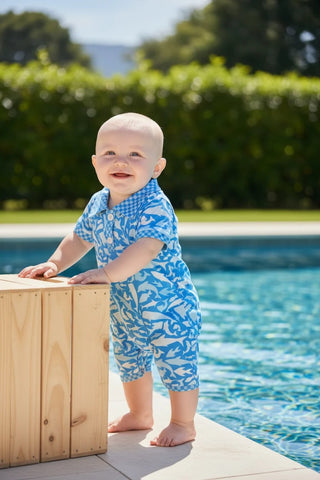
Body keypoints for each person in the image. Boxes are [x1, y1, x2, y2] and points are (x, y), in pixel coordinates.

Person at [19, 112, 201, 447]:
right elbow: (79, 238)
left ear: (157, 167)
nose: (121, 161)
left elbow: (145, 249)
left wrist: (105, 273)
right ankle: (140, 414)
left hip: (169, 307)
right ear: (95, 162)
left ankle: (183, 422)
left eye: (135, 154)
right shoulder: (98, 203)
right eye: (110, 153)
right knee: (130, 360)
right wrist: (55, 263)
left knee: (176, 361)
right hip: (124, 307)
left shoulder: (156, 206)